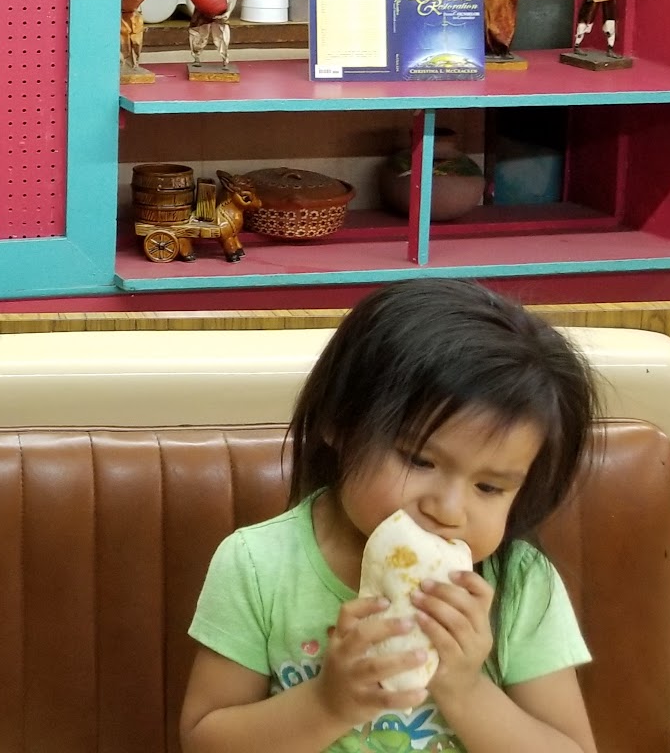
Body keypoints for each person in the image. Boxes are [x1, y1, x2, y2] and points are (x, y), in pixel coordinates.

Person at [180, 279, 600, 753]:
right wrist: (327, 704)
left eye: (489, 487)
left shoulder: (520, 583)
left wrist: (466, 689)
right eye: (420, 461)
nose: (448, 510)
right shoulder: (259, 566)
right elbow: (203, 741)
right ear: (340, 421)